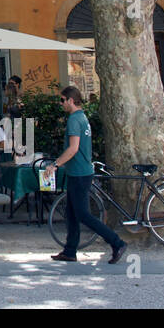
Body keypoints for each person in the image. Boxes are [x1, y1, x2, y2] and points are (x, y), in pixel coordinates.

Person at [48, 87, 126, 264]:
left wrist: (55, 164)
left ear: (70, 100)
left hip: (79, 173)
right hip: (80, 171)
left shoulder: (74, 120)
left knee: (82, 214)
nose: (61, 104)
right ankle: (70, 250)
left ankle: (117, 243)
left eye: (62, 100)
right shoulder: (83, 118)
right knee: (72, 213)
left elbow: (73, 148)